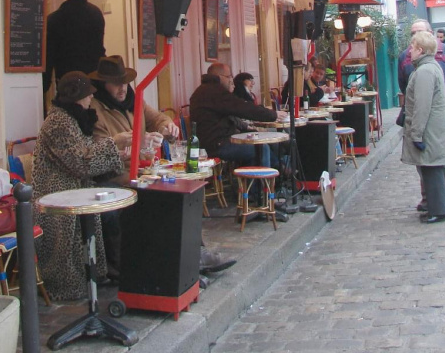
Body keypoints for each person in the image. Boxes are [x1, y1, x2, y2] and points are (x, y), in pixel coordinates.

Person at [89, 55, 231, 277]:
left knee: (178, 192)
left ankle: (193, 254)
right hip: (117, 175)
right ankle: (182, 259)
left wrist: (167, 128)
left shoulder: (134, 101)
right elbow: (101, 147)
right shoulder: (95, 110)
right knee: (163, 196)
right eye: (116, 83)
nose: (122, 89)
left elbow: (158, 118)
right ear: (102, 84)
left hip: (142, 169)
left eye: (125, 83)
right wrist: (134, 139)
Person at [32, 71, 123, 300]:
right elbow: (81, 162)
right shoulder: (59, 122)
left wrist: (121, 153)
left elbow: (86, 157)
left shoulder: (72, 118)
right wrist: (116, 144)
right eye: (87, 95)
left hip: (74, 189)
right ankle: (74, 283)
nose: (91, 99)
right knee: (109, 214)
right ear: (77, 97)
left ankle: (105, 272)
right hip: (56, 195)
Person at [398, 18, 445, 210]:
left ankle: (443, 198)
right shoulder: (406, 57)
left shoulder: (442, 55)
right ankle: (432, 199)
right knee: (426, 161)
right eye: (412, 34)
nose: (413, 41)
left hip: (436, 115)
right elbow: (404, 84)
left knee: (436, 158)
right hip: (429, 113)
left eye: (419, 33)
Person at [190, 62, 287, 167]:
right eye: (229, 77)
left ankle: (268, 177)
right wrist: (273, 115)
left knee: (261, 146)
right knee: (261, 149)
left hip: (210, 143)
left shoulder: (203, 91)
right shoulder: (215, 92)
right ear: (220, 77)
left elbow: (240, 108)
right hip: (216, 145)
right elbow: (243, 108)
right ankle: (265, 181)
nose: (231, 80)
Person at [401, 31, 445, 224]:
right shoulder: (428, 68)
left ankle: (438, 210)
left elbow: (422, 106)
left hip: (430, 131)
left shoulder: (425, 71)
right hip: (433, 130)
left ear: (420, 50)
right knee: (431, 168)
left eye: (412, 47)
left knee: (432, 169)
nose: (410, 51)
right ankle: (435, 206)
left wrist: (417, 134)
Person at [43, 0, 105, 95]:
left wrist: (44, 85)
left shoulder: (53, 19)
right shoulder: (95, 13)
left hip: (67, 85)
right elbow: (99, 49)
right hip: (93, 82)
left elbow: (49, 56)